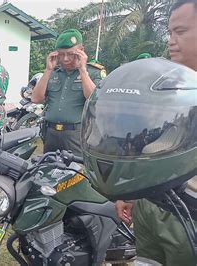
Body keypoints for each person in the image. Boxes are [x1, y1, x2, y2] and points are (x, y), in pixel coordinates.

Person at [114, 1, 197, 265]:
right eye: (170, 32)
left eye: (180, 32)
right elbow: (154, 146)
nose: (171, 41)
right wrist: (132, 193)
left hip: (188, 214)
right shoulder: (168, 89)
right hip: (152, 206)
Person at [31, 29, 105, 156]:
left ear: (81, 51)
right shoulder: (53, 73)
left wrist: (82, 70)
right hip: (51, 134)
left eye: (70, 54)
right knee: (47, 170)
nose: (65, 59)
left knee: (76, 172)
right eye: (61, 54)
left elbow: (93, 99)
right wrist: (48, 70)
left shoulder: (92, 73)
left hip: (76, 135)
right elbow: (36, 99)